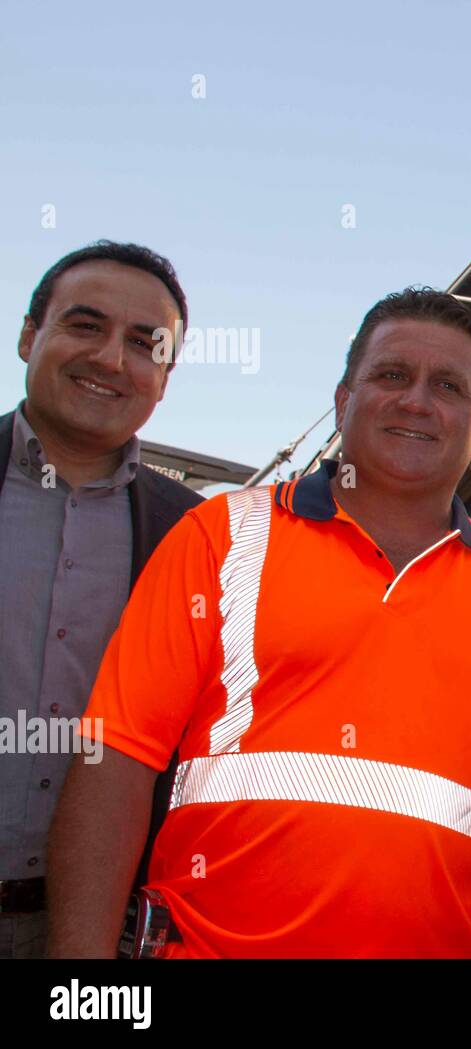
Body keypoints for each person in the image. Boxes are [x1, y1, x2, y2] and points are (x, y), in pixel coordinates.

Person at [46, 287, 471, 958]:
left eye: (448, 386)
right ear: (343, 401)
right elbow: (114, 762)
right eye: (391, 375)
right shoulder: (222, 537)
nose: (417, 400)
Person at [0, 241, 201, 959]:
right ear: (29, 335)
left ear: (165, 377)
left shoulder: (198, 535)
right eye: (85, 326)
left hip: (101, 934)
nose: (113, 358)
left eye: (146, 343)